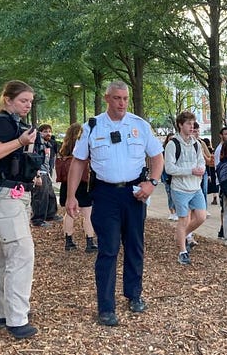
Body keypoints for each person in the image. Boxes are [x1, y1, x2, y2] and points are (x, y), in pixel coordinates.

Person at [66, 81, 164, 327]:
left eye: (125, 98)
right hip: (105, 194)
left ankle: (134, 294)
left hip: (133, 193)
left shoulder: (139, 125)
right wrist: (71, 196)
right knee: (108, 249)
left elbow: (156, 156)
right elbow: (78, 162)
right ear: (107, 98)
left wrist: (152, 182)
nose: (121, 103)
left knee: (135, 245)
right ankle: (106, 306)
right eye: (117, 98)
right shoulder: (93, 126)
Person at [0, 80, 40, 339]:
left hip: (14, 195)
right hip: (3, 196)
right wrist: (19, 142)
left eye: (30, 101)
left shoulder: (16, 125)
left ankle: (0, 311)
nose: (28, 105)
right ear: (8, 100)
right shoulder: (1, 123)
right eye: (23, 100)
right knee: (21, 253)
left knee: (7, 255)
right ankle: (16, 319)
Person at [165, 111, 207, 265]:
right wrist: (190, 170)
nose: (192, 126)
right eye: (188, 123)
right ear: (180, 125)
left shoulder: (196, 143)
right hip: (180, 189)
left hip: (195, 187)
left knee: (201, 217)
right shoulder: (172, 144)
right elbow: (169, 168)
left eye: (193, 123)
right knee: (184, 220)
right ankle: (182, 252)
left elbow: (201, 160)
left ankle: (182, 236)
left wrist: (201, 168)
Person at [55, 123, 97, 253]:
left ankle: (69, 241)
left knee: (69, 213)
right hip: (83, 184)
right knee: (87, 214)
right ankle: (89, 242)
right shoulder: (84, 149)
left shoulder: (64, 151)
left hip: (67, 184)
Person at [30, 124, 61, 228]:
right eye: (45, 131)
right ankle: (37, 219)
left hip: (46, 173)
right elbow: (33, 160)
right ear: (40, 133)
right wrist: (37, 175)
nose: (48, 133)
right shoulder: (37, 144)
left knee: (50, 195)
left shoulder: (49, 144)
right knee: (40, 197)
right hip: (40, 173)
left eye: (49, 131)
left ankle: (50, 215)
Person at [213, 127, 227, 239]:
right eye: (226, 134)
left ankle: (224, 229)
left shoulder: (225, 148)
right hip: (223, 182)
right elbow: (219, 167)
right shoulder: (220, 150)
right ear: (221, 135)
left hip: (225, 181)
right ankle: (223, 229)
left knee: (226, 206)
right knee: (224, 206)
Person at [161, 133, 178, 221]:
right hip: (166, 175)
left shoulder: (177, 150)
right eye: (170, 139)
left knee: (175, 194)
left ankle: (176, 211)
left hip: (175, 176)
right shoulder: (163, 151)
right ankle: (172, 211)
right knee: (169, 193)